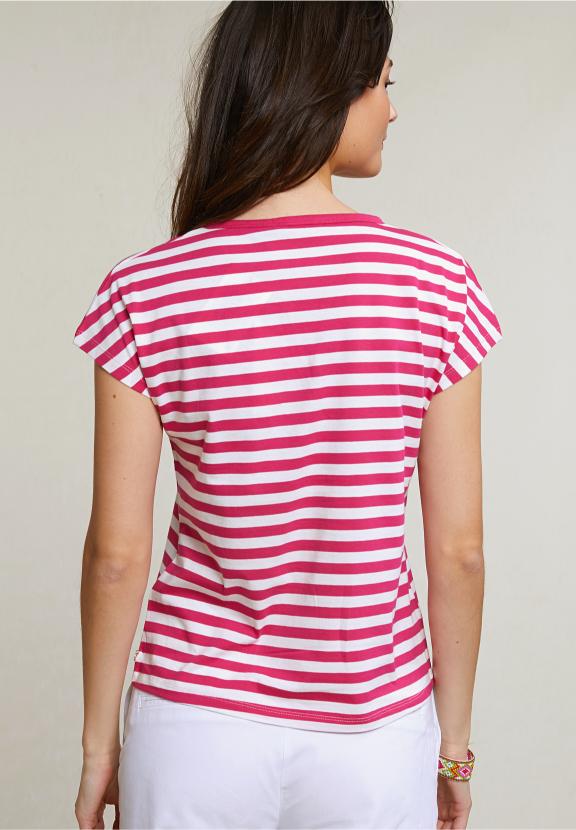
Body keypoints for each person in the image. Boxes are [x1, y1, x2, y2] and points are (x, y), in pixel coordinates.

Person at [72, 2, 503, 829]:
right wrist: (452, 749)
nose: (393, 110)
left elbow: (116, 555)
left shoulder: (146, 288)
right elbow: (460, 552)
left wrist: (100, 749)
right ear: (325, 89)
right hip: (374, 730)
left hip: (194, 725)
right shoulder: (435, 284)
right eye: (384, 84)